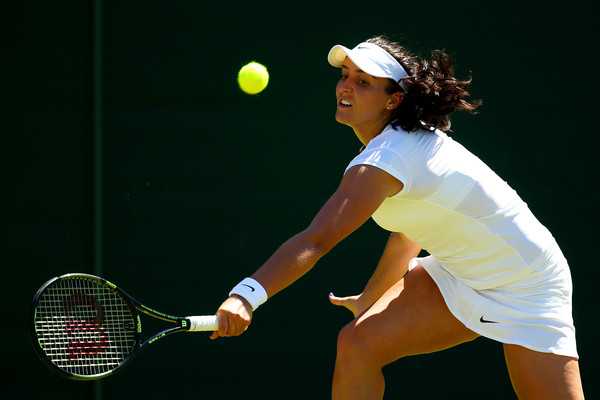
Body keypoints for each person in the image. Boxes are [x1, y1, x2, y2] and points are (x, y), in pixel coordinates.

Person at [210, 36, 584, 399]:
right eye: (345, 75)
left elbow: (316, 239)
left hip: (527, 283)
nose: (346, 86)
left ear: (394, 100)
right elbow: (409, 234)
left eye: (363, 82)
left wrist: (246, 296)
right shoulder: (394, 146)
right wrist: (370, 297)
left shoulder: (386, 159)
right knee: (357, 343)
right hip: (459, 272)